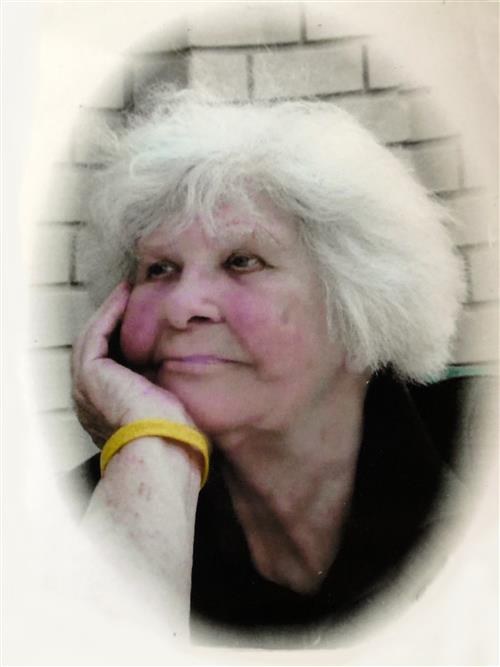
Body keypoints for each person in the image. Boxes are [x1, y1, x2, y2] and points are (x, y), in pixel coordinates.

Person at [68, 88, 468, 646]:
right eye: (159, 269)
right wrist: (154, 458)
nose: (182, 306)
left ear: (357, 298)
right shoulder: (98, 507)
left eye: (241, 261)